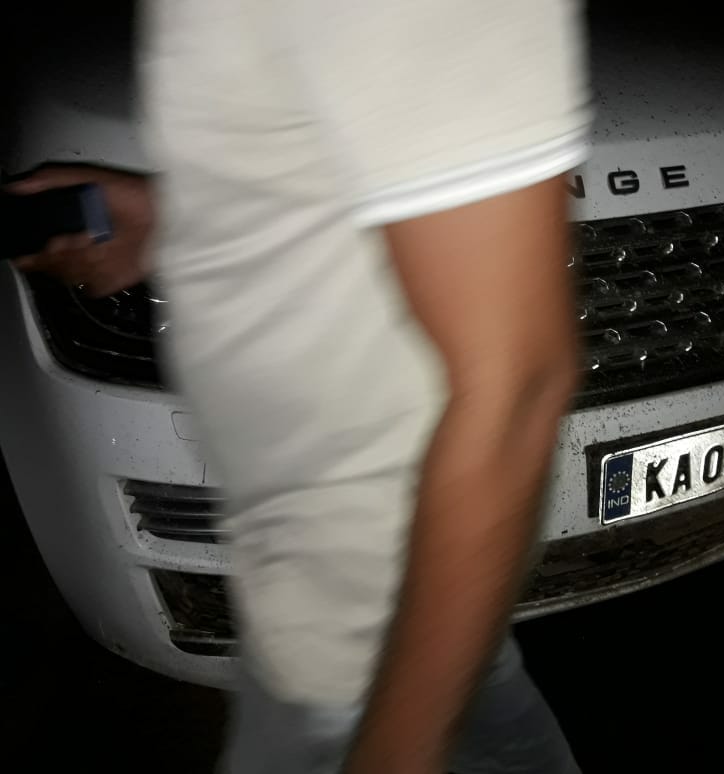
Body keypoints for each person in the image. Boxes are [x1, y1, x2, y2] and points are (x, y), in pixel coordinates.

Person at [11, 1, 593, 772]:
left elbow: (514, 385)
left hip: (375, 656)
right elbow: (357, 172)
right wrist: (178, 215)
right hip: (311, 622)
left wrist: (394, 754)